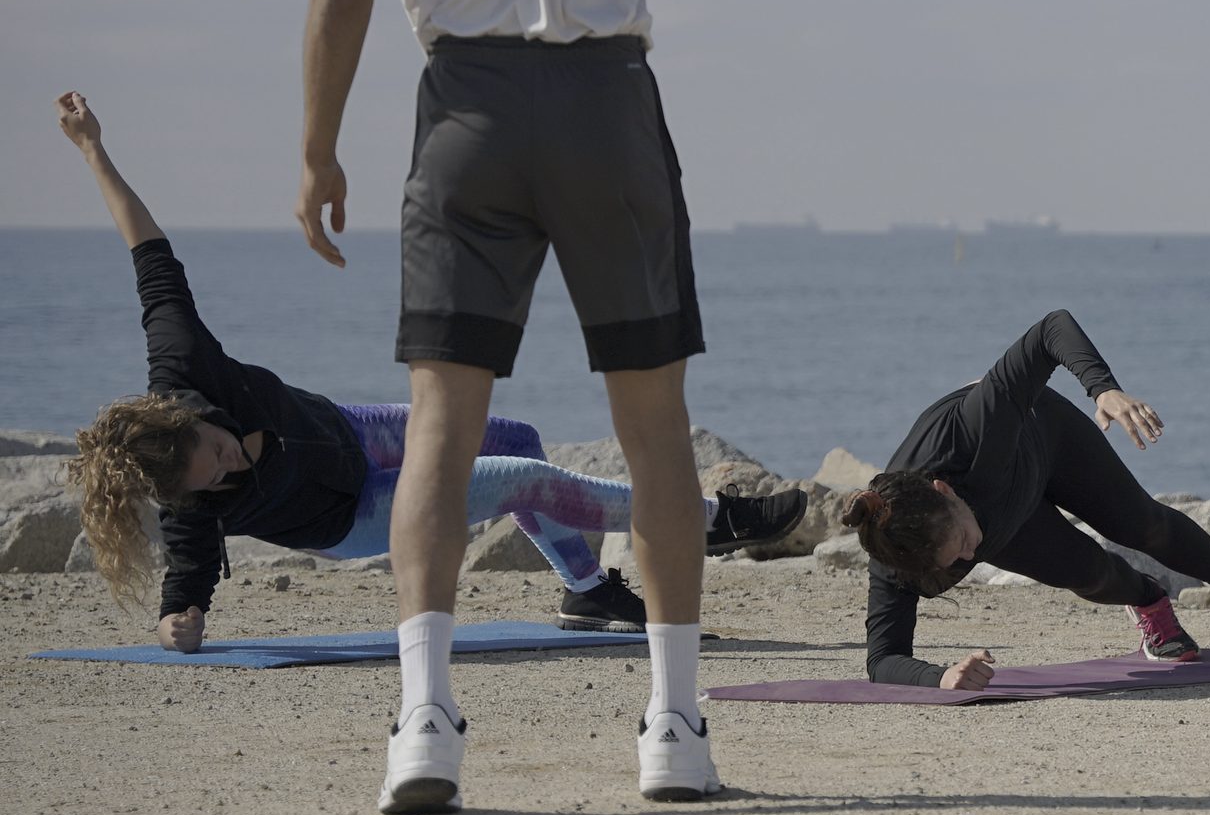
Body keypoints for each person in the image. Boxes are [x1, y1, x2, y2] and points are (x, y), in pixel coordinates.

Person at [295, 0, 751, 811]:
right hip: (606, 97)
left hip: (467, 109)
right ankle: (673, 727)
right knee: (651, 420)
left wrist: (318, 145)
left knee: (442, 417)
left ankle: (425, 721)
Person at [53, 93, 806, 652]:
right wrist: (178, 620)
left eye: (215, 450)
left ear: (192, 413)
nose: (224, 470)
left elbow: (150, 257)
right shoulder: (191, 506)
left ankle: (587, 592)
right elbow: (187, 579)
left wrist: (91, 150)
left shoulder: (182, 359)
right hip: (354, 513)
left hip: (346, 427)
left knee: (514, 434)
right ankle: (710, 520)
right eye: (211, 483)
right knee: (511, 478)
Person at [842, 311, 1210, 689]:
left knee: (1142, 525)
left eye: (963, 539)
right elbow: (883, 660)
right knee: (1090, 574)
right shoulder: (897, 559)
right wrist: (942, 677)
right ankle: (1150, 601)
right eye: (957, 559)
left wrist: (1103, 388)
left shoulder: (971, 431)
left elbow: (1051, 329)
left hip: (1044, 436)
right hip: (1007, 517)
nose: (971, 556)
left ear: (942, 491)